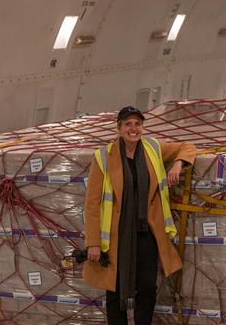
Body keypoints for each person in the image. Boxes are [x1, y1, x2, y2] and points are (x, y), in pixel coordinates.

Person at [83, 106, 197, 325]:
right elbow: (92, 204)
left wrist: (177, 165)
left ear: (142, 128)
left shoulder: (153, 148)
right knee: (115, 290)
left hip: (147, 234)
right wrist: (93, 243)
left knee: (146, 287)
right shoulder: (104, 156)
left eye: (137, 124)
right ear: (119, 128)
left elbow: (187, 147)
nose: (133, 129)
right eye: (128, 124)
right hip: (117, 238)